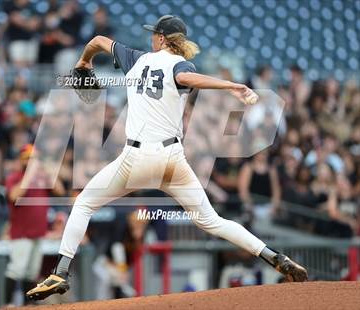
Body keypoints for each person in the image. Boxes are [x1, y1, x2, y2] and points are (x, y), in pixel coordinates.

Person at [27, 15, 308, 300]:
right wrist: (231, 86)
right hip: (172, 159)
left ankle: (60, 272)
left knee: (84, 204)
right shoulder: (180, 65)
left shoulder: (135, 58)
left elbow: (98, 41)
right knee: (211, 220)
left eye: (155, 34)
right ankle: (274, 256)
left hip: (135, 158)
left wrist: (84, 62)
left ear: (162, 38)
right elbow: (185, 77)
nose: (152, 37)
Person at [4, 144, 65, 305]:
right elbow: (14, 195)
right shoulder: (15, 177)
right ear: (22, 161)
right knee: (16, 269)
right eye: (28, 159)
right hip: (21, 232)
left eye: (34, 159)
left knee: (31, 272)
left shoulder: (41, 177)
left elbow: (60, 190)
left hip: (39, 233)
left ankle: (28, 304)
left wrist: (49, 171)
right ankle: (7, 304)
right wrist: (31, 172)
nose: (31, 162)